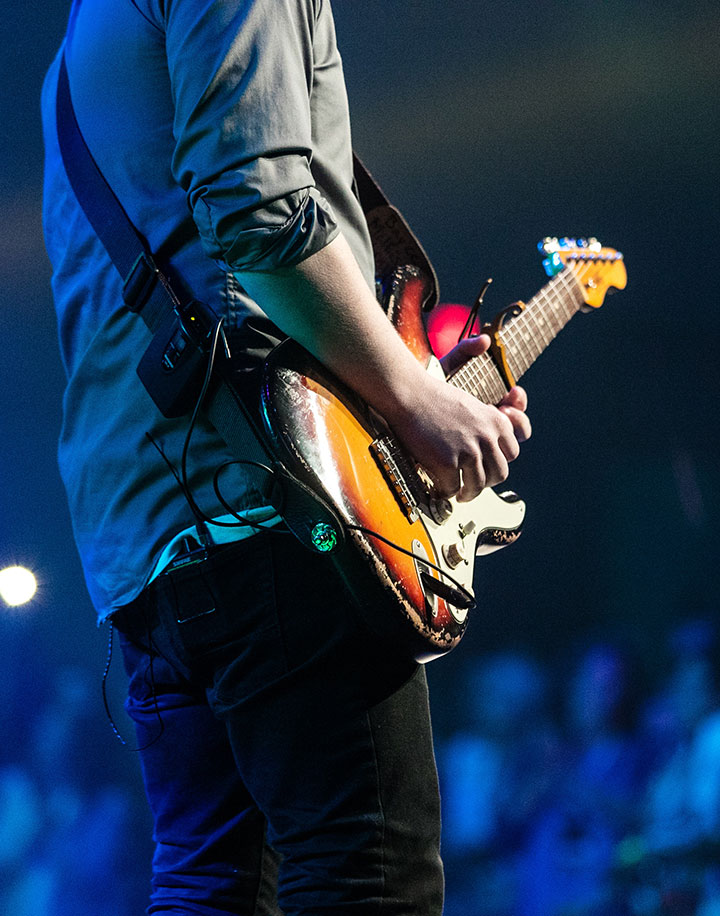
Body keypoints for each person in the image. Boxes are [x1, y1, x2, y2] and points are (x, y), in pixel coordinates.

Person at [41, 1, 531, 912]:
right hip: (275, 506)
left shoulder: (87, 30)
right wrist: (417, 397)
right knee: (368, 878)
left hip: (147, 538)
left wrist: (408, 378)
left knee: (208, 888)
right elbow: (260, 220)